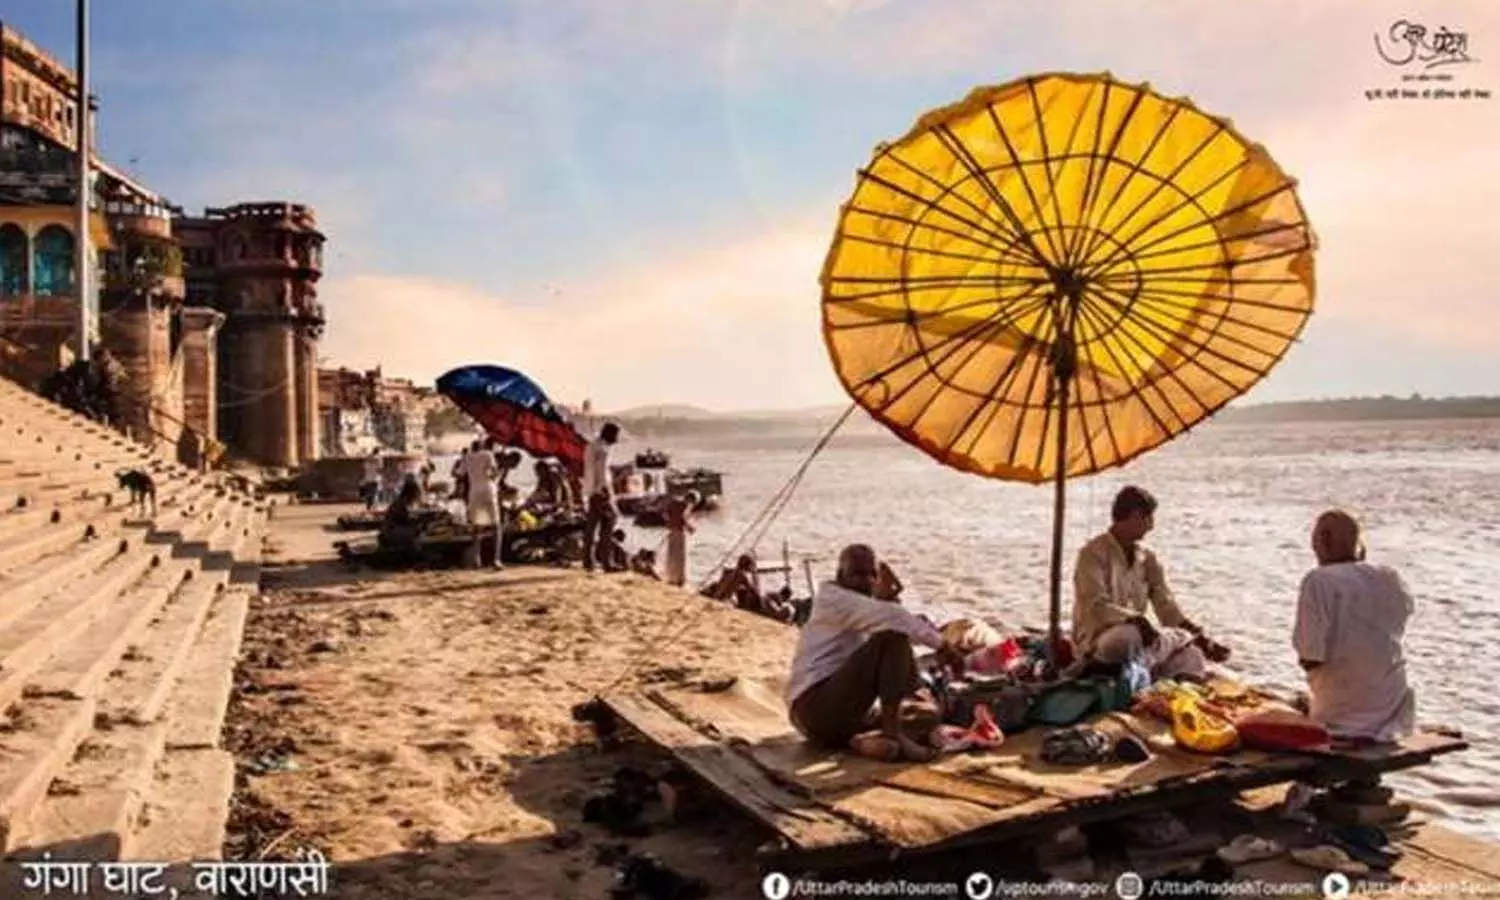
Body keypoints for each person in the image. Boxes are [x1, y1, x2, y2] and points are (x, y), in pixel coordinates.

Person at [787, 544, 964, 762]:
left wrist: (886, 598)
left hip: (844, 715)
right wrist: (945, 648)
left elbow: (888, 620)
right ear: (840, 575)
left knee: (929, 715)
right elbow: (896, 619)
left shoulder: (866, 607)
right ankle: (893, 734)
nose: (865, 581)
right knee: (893, 636)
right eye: (856, 574)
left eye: (871, 575)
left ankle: (861, 742)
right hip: (815, 707)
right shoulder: (833, 599)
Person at [1072, 486, 1229, 681]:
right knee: (1128, 636)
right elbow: (1095, 605)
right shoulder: (1092, 553)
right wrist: (1134, 619)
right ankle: (1122, 670)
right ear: (1135, 516)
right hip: (1100, 645)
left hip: (1139, 648)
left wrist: (1201, 638)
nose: (1151, 526)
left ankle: (1152, 679)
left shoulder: (1147, 559)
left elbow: (1166, 607)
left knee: (1192, 654)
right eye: (1149, 519)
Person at [1292, 510, 1415, 743]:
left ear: (1325, 539)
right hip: (1392, 709)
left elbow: (1310, 657)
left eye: (1315, 538)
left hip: (1344, 717)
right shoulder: (1390, 576)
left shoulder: (1319, 580)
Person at [581, 422, 621, 572]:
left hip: (594, 492)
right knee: (608, 524)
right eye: (616, 435)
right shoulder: (601, 449)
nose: (617, 438)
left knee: (592, 527)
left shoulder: (594, 446)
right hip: (601, 492)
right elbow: (600, 472)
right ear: (609, 434)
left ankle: (589, 561)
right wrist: (604, 491)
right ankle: (606, 562)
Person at [460, 439, 503, 569]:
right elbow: (494, 472)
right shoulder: (488, 454)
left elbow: (459, 473)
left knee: (477, 526)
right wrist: (498, 476)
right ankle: (496, 559)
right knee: (496, 526)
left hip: (474, 492)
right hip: (489, 490)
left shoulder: (467, 458)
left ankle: (476, 558)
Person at [663, 491, 698, 587]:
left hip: (671, 531)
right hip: (680, 532)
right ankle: (680, 579)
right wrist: (690, 528)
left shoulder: (674, 502)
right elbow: (683, 517)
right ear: (690, 499)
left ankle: (670, 576)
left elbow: (665, 513)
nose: (693, 505)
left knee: (671, 555)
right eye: (694, 502)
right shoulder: (685, 505)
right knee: (681, 557)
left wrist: (670, 522)